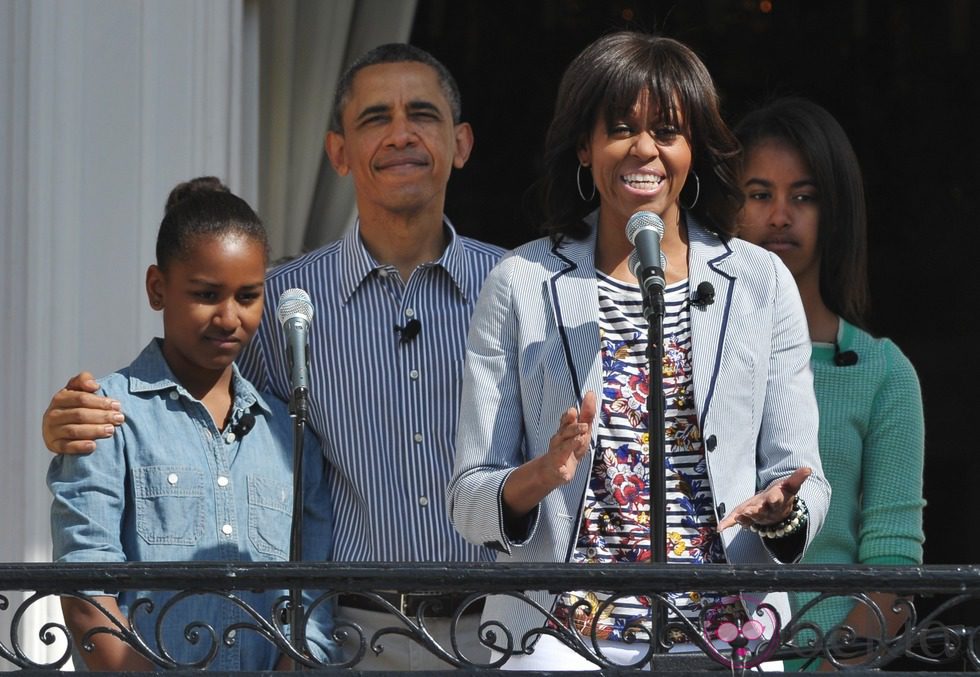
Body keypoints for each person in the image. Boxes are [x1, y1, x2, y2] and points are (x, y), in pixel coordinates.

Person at [41, 44, 504, 671]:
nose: (401, 134)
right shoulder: (290, 305)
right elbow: (192, 402)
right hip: (361, 637)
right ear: (337, 151)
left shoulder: (518, 288)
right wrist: (70, 420)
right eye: (374, 118)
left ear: (462, 143)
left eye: (422, 114)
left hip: (502, 633)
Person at [446, 32, 831, 670]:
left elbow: (803, 477)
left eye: (669, 131)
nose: (645, 149)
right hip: (558, 640)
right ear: (584, 145)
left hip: (726, 633)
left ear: (694, 149)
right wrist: (539, 476)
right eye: (621, 127)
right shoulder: (521, 283)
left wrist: (779, 515)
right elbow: (468, 497)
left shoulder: (760, 281)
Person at [47, 177, 335, 671]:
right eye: (206, 294)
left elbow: (313, 602)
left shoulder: (288, 432)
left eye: (248, 296)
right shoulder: (105, 415)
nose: (229, 317)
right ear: (157, 288)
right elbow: (85, 591)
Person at [735, 96, 925, 667]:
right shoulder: (688, 357)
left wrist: (821, 668)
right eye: (760, 194)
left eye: (804, 197)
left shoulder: (883, 372)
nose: (780, 216)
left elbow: (893, 568)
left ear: (834, 211)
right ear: (728, 207)